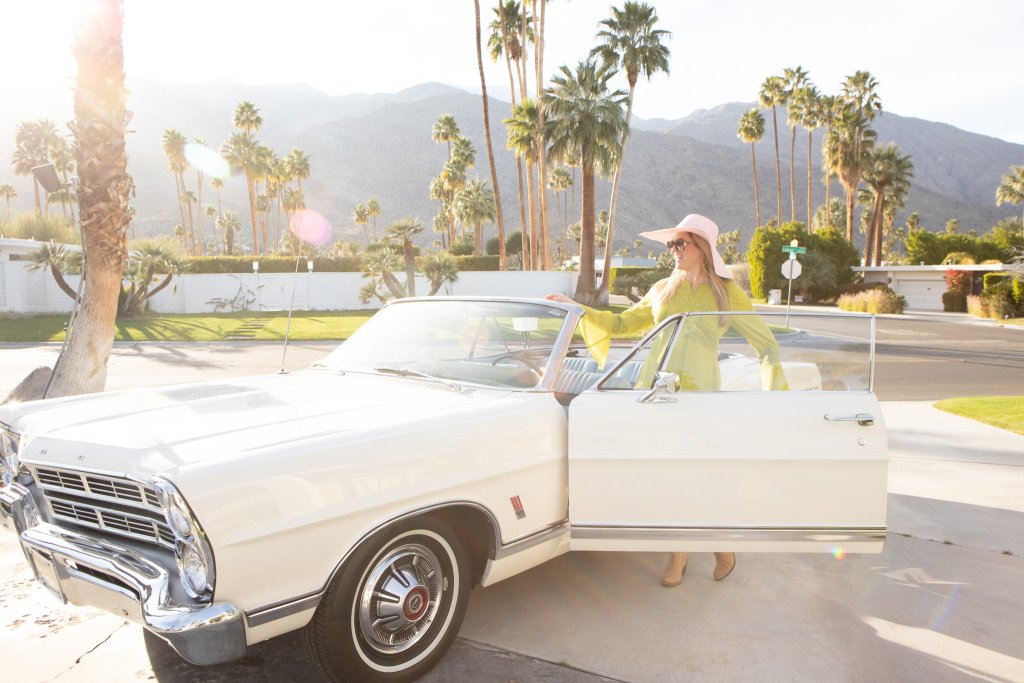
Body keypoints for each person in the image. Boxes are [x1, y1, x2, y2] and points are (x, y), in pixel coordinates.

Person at [546, 213, 787, 587]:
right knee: (662, 476)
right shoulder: (663, 288)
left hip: (699, 398)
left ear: (701, 248)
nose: (672, 251)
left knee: (693, 477)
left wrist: (777, 398)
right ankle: (697, 548)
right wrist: (576, 310)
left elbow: (767, 345)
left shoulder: (727, 293)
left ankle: (691, 550)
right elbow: (624, 324)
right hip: (654, 395)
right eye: (670, 244)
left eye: (680, 243)